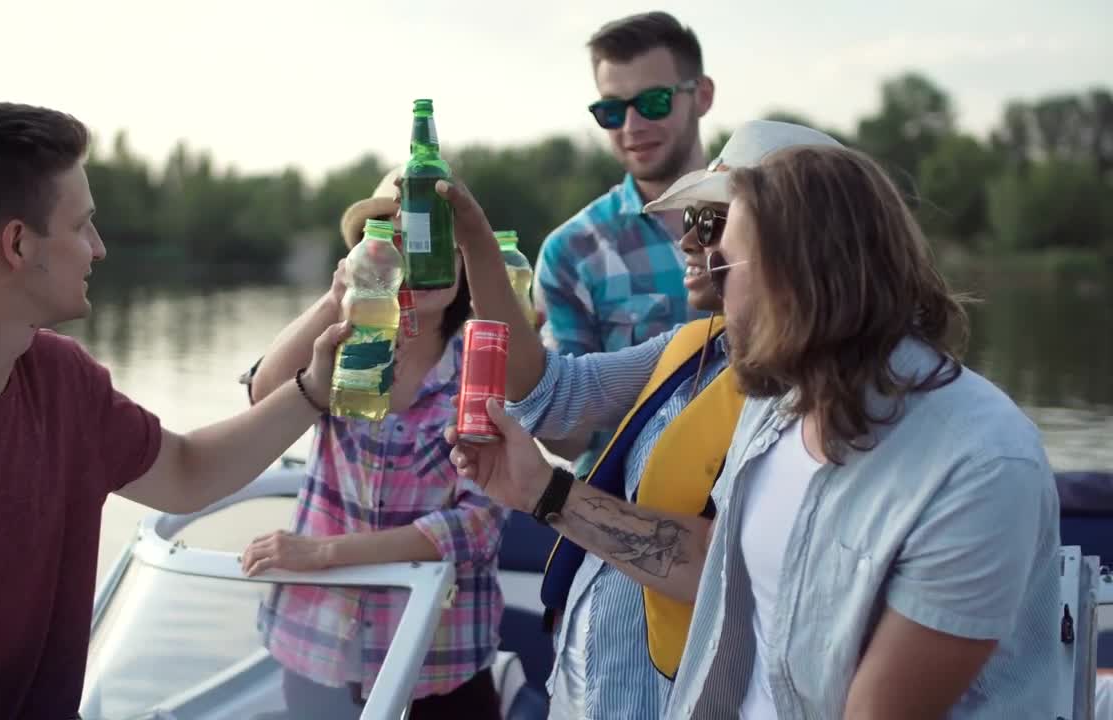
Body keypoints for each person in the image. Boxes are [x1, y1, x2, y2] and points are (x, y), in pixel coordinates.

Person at [449, 139, 1063, 717]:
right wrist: (538, 489)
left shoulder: (978, 464)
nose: (699, 263)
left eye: (722, 249)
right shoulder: (778, 407)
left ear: (799, 274)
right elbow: (712, 569)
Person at [0, 102, 348, 720]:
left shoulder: (64, 380)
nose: (99, 249)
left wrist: (314, 389)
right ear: (19, 244)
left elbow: (187, 472)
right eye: (83, 226)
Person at [440, 121, 838, 719]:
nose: (687, 240)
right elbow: (553, 392)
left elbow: (723, 567)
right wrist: (475, 245)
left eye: (711, 222)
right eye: (691, 220)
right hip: (596, 688)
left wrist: (543, 493)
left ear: (788, 239)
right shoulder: (695, 346)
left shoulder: (823, 401)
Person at [238, 172, 507, 719]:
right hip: (318, 646)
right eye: (403, 243)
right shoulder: (342, 347)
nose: (424, 259)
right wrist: (336, 297)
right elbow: (264, 399)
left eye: (440, 245)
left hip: (442, 658)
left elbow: (476, 525)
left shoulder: (485, 365)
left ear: (465, 263)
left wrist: (325, 553)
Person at [532, 11, 715, 479]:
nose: (631, 125)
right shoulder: (571, 252)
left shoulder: (774, 220)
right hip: (631, 513)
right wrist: (523, 370)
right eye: (611, 111)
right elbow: (568, 437)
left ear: (703, 96)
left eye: (652, 102)